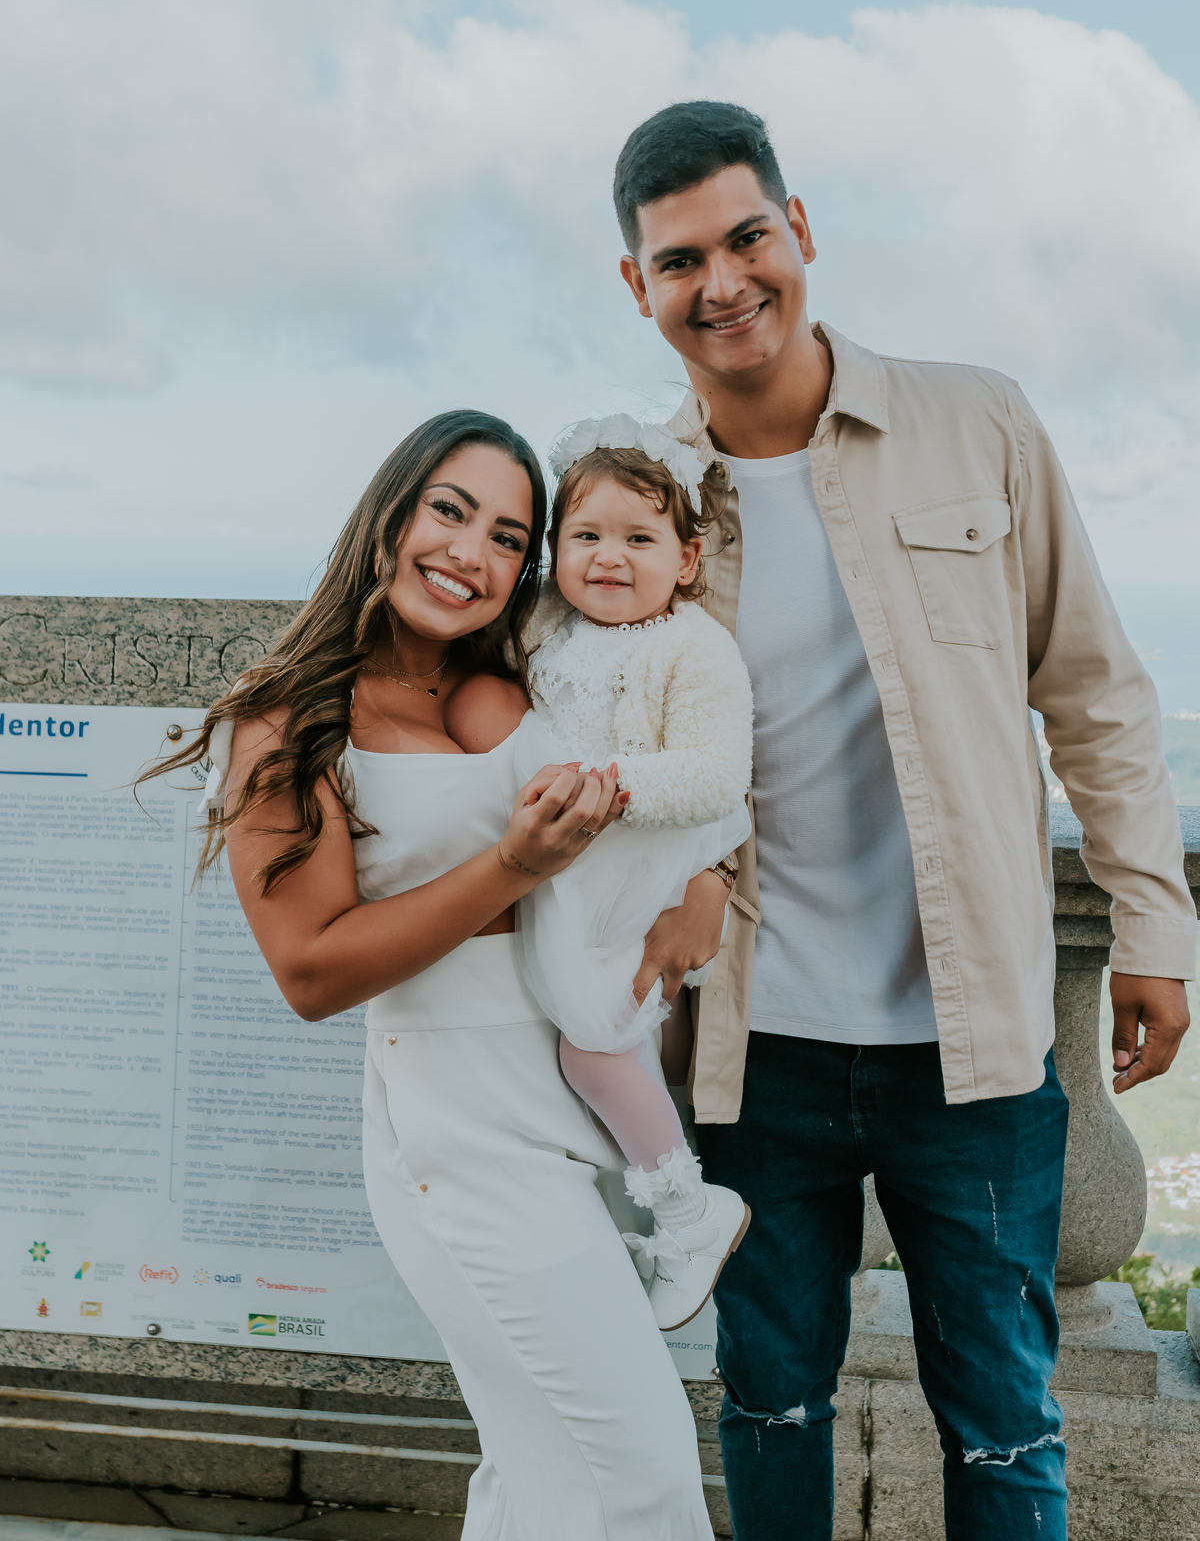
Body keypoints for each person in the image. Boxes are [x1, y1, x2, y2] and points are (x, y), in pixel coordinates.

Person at [611, 101, 1195, 1541]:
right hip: (752, 1053)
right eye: (681, 259)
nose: (725, 280)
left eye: (749, 236)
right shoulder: (636, 494)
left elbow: (1099, 691)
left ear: (799, 230)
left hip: (979, 1038)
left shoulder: (976, 417)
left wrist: (1153, 920)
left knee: (1005, 1428)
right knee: (767, 1404)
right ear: (640, 287)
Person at [141, 410, 717, 1541]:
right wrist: (513, 861)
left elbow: (633, 796)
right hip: (453, 1122)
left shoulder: (512, 688)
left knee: (543, 1471)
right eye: (450, 511)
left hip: (572, 1096)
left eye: (509, 535)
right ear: (391, 515)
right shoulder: (289, 719)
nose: (471, 552)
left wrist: (709, 873)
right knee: (642, 1473)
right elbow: (310, 969)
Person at [460, 413, 754, 1330]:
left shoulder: (692, 647)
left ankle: (688, 1211)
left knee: (594, 1037)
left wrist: (605, 784)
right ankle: (640, 1216)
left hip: (636, 859)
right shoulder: (549, 621)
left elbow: (714, 774)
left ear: (688, 558)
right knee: (563, 1038)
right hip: (571, 863)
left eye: (639, 538)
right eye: (584, 536)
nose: (609, 558)